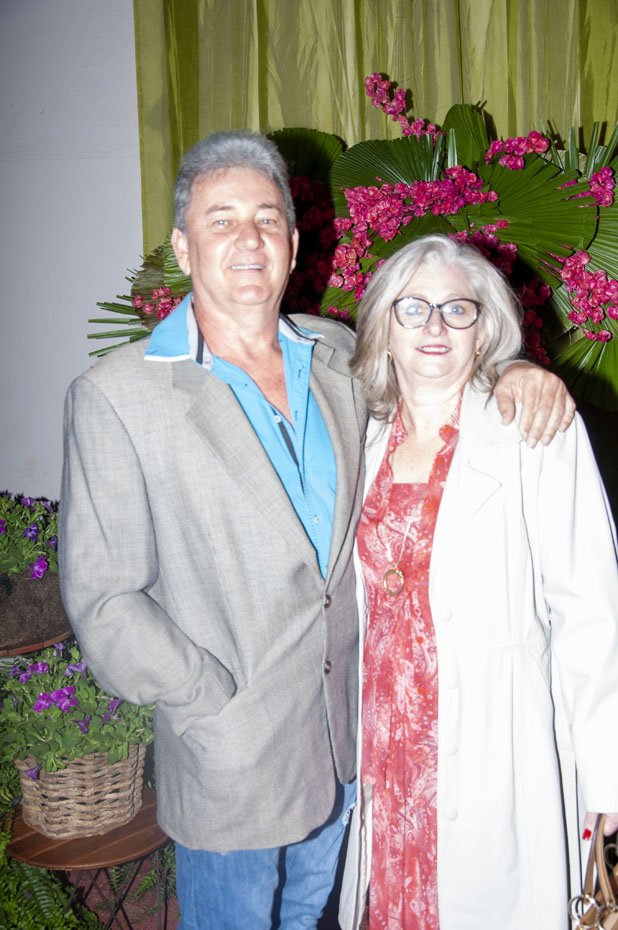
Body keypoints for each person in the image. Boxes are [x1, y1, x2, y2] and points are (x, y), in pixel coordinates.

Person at [59, 134, 574, 930]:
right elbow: (103, 598)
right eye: (222, 219)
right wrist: (207, 701)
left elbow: (437, 374)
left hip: (346, 747)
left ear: (294, 244)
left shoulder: (336, 354)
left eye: (268, 218)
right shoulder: (118, 395)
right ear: (183, 247)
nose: (249, 238)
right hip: (229, 754)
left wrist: (513, 369)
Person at [339, 234, 618, 930]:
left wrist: (608, 771)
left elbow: (591, 609)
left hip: (498, 734)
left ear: (484, 329)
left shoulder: (535, 429)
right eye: (413, 308)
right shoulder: (357, 436)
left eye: (457, 309)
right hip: (383, 739)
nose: (434, 325)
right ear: (383, 327)